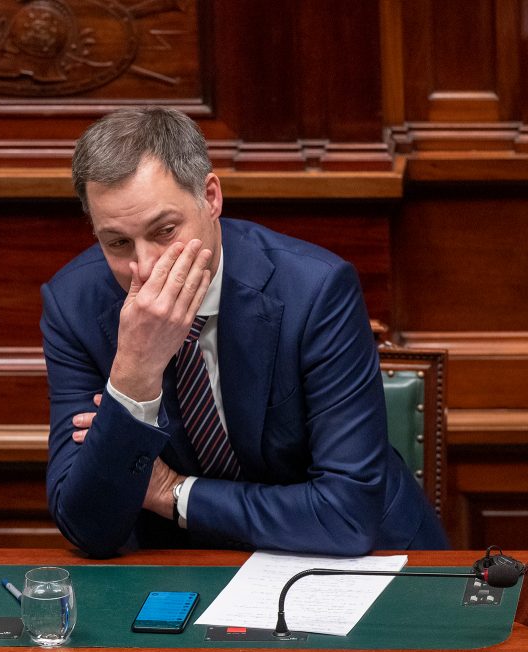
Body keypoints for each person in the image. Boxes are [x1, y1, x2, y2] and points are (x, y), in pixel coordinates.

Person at [41, 106, 448, 558]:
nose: (147, 265)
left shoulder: (314, 291)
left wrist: (173, 493)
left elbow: (346, 513)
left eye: (165, 230)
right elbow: (87, 528)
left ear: (211, 197)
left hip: (365, 562)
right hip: (183, 570)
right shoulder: (74, 305)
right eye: (118, 243)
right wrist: (135, 372)